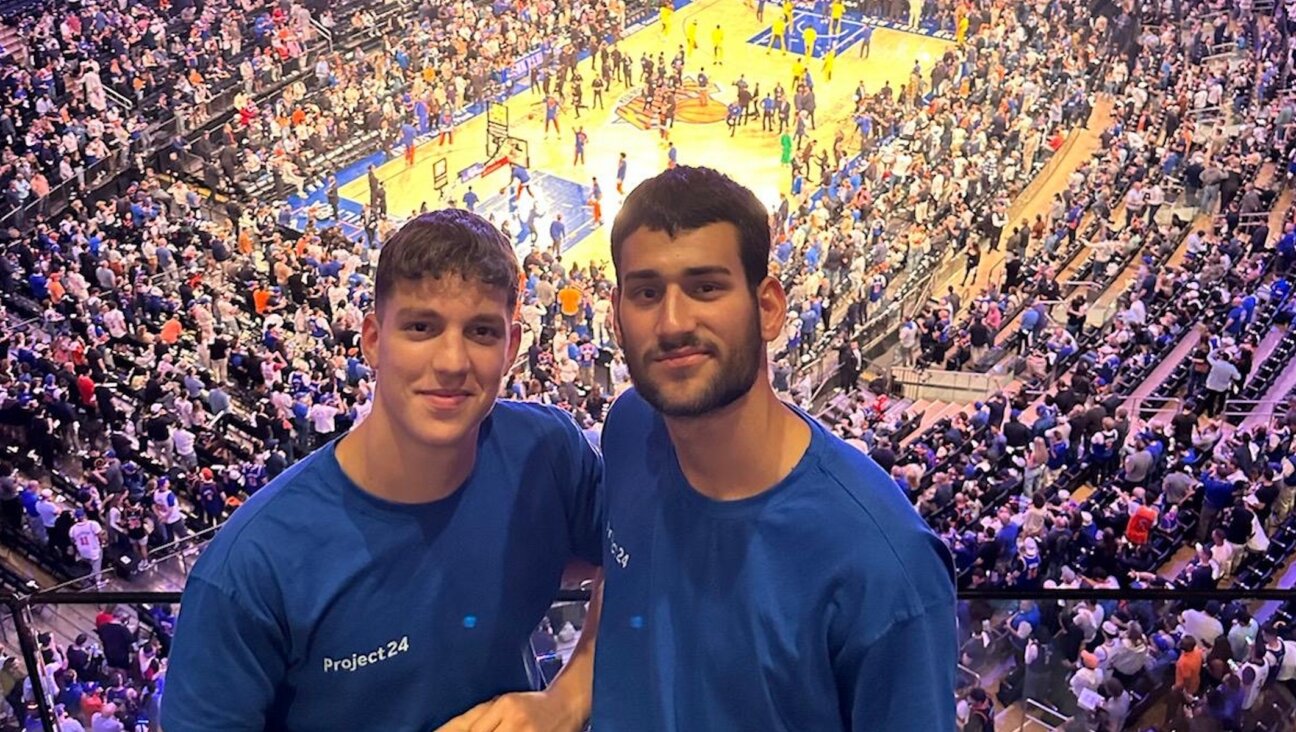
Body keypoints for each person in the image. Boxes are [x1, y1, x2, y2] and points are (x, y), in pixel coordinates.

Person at [162, 210, 604, 731]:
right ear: (372, 339)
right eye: (421, 327)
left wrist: (569, 696)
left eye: (481, 332)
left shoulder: (546, 452)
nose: (451, 361)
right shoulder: (251, 569)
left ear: (511, 348)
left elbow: (647, 557)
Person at [593, 166, 957, 730]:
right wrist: (565, 696)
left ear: (768, 308)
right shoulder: (630, 427)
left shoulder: (884, 568)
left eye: (705, 287)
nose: (672, 322)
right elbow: (619, 591)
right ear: (617, 316)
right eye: (646, 293)